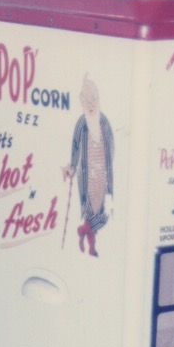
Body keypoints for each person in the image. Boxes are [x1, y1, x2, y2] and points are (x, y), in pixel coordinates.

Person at [64, 75, 114, 256]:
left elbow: (111, 147)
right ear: (82, 102)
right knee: (90, 210)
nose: (91, 104)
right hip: (86, 176)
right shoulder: (81, 123)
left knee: (103, 212)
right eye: (87, 100)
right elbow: (75, 147)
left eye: (94, 99)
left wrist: (108, 171)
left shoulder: (104, 122)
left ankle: (84, 232)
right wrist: (71, 166)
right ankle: (91, 244)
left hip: (102, 174)